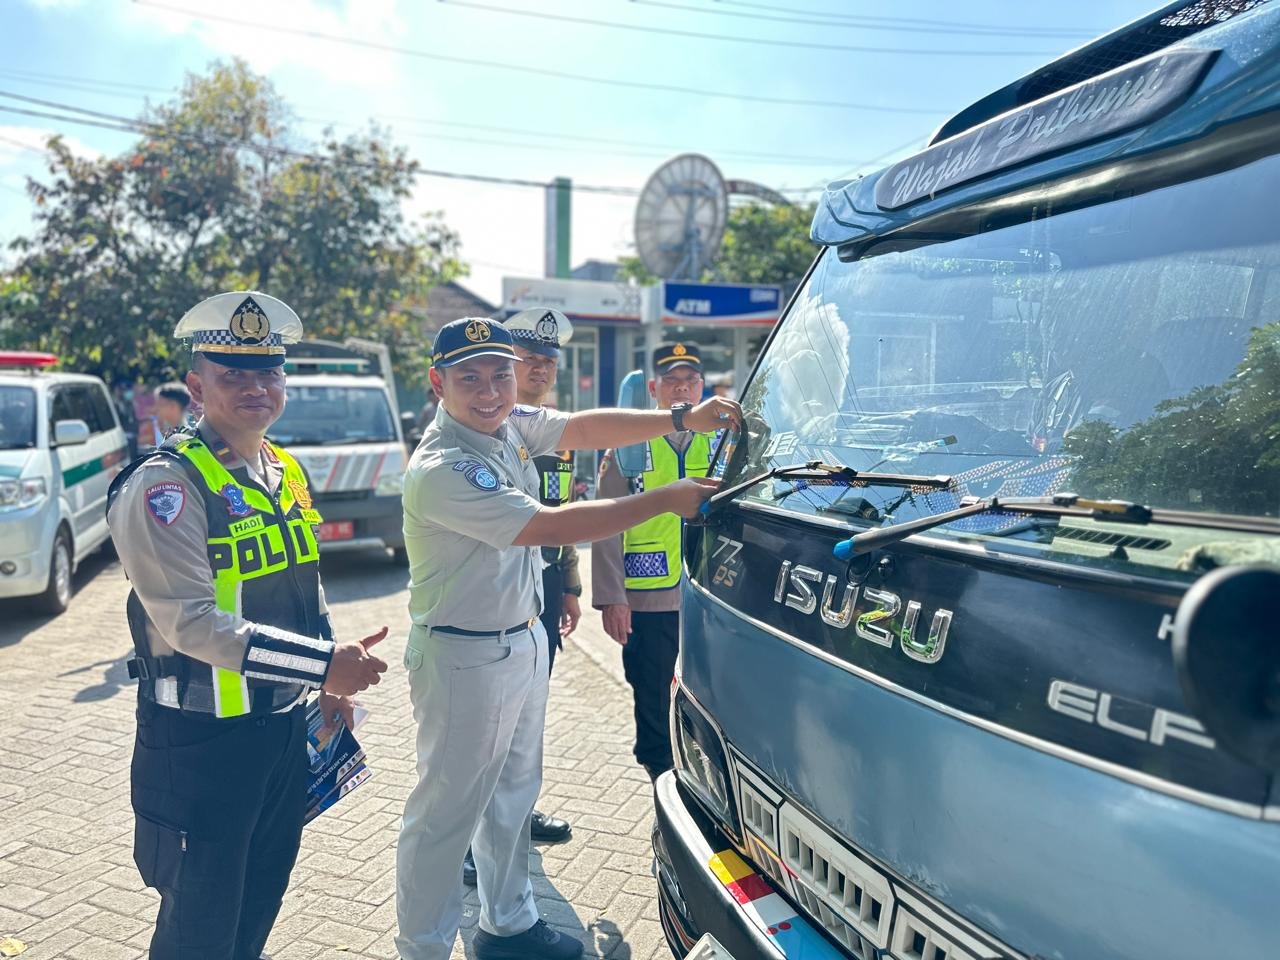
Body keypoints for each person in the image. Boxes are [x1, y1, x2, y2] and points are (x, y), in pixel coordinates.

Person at [396, 318, 739, 960]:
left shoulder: (506, 426)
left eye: (500, 372)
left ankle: (509, 921)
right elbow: (551, 526)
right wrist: (666, 498)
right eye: (469, 377)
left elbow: (582, 428)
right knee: (446, 813)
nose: (491, 389)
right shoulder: (446, 465)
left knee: (514, 793)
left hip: (521, 638)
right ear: (437, 382)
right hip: (463, 655)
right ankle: (423, 947)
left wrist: (682, 419)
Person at [107, 291, 389, 960]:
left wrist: (325, 684)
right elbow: (192, 623)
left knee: (257, 910)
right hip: (199, 750)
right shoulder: (165, 485)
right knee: (196, 935)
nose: (255, 389)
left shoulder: (282, 469)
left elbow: (302, 583)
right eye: (233, 375)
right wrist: (324, 664)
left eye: (268, 373)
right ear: (196, 387)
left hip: (281, 736)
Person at [458, 308, 578, 889]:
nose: (539, 371)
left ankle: (516, 817)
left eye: (548, 363)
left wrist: (571, 583)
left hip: (541, 585)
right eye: (528, 361)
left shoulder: (549, 430)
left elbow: (562, 510)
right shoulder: (487, 431)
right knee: (485, 732)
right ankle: (469, 843)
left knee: (527, 721)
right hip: (492, 598)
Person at [593, 341, 718, 782]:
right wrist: (612, 597)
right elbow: (603, 521)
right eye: (671, 380)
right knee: (652, 696)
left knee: (709, 696)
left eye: (690, 380)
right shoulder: (628, 446)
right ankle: (663, 783)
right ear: (653, 388)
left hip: (710, 595)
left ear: (703, 386)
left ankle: (706, 783)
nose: (681, 388)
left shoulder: (723, 440)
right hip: (648, 601)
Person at [138, 381, 192, 451]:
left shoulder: (185, 438)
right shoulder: (170, 432)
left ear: (173, 406)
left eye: (160, 404)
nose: (156, 408)